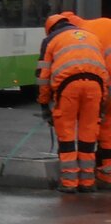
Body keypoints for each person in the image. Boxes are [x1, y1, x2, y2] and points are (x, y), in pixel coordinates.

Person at [37, 12, 109, 193]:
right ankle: (87, 182)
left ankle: (69, 183)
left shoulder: (51, 40)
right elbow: (103, 71)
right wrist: (103, 101)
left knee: (67, 132)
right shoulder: (91, 37)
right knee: (88, 133)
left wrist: (44, 105)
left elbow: (44, 77)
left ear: (50, 29)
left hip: (68, 87)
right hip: (96, 87)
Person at [73, 13, 111, 189]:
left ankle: (101, 173)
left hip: (104, 83)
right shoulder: (101, 23)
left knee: (98, 126)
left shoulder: (80, 36)